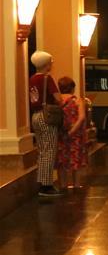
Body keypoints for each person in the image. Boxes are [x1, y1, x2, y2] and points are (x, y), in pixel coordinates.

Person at [29, 51, 63, 197]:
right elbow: (58, 98)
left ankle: (42, 182)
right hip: (46, 116)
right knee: (49, 150)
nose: (52, 64)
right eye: (50, 62)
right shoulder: (47, 78)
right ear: (46, 64)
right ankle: (46, 186)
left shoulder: (32, 79)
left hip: (35, 116)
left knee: (42, 150)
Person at [55, 77, 88, 190]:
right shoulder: (77, 100)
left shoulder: (57, 101)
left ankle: (63, 185)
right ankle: (76, 184)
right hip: (76, 135)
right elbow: (82, 117)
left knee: (61, 160)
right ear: (72, 88)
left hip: (60, 134)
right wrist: (72, 131)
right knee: (76, 160)